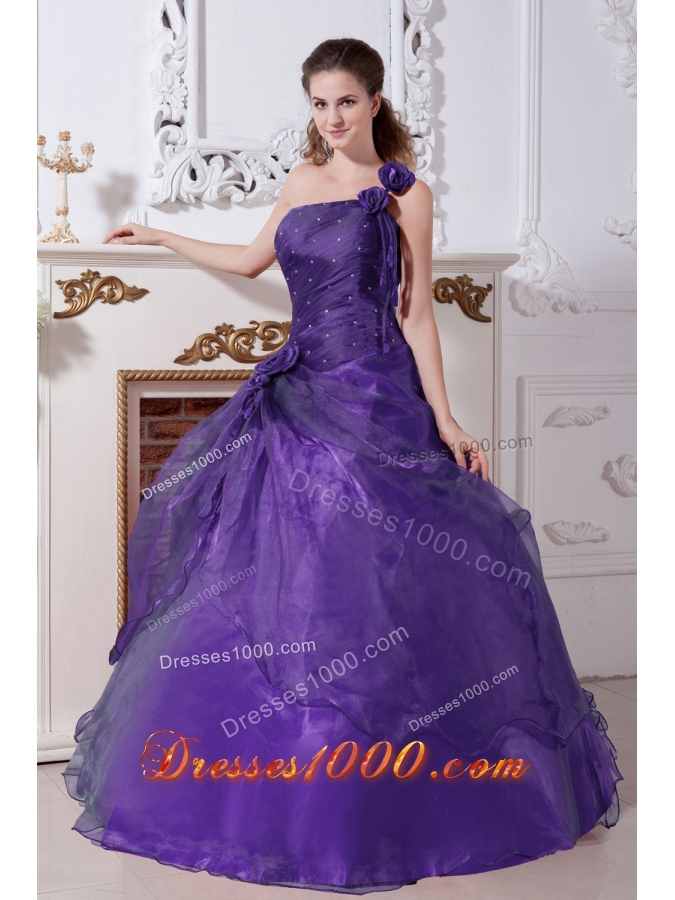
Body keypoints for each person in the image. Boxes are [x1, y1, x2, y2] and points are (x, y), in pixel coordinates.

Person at [65, 38, 621, 892]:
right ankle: (297, 769)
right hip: (300, 388)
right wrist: (160, 232)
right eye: (319, 104)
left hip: (376, 394)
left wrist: (445, 417)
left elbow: (417, 313)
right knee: (294, 572)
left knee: (384, 574)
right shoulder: (298, 182)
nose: (331, 118)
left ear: (374, 103)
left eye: (345, 103)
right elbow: (249, 260)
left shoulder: (405, 193)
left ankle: (396, 783)